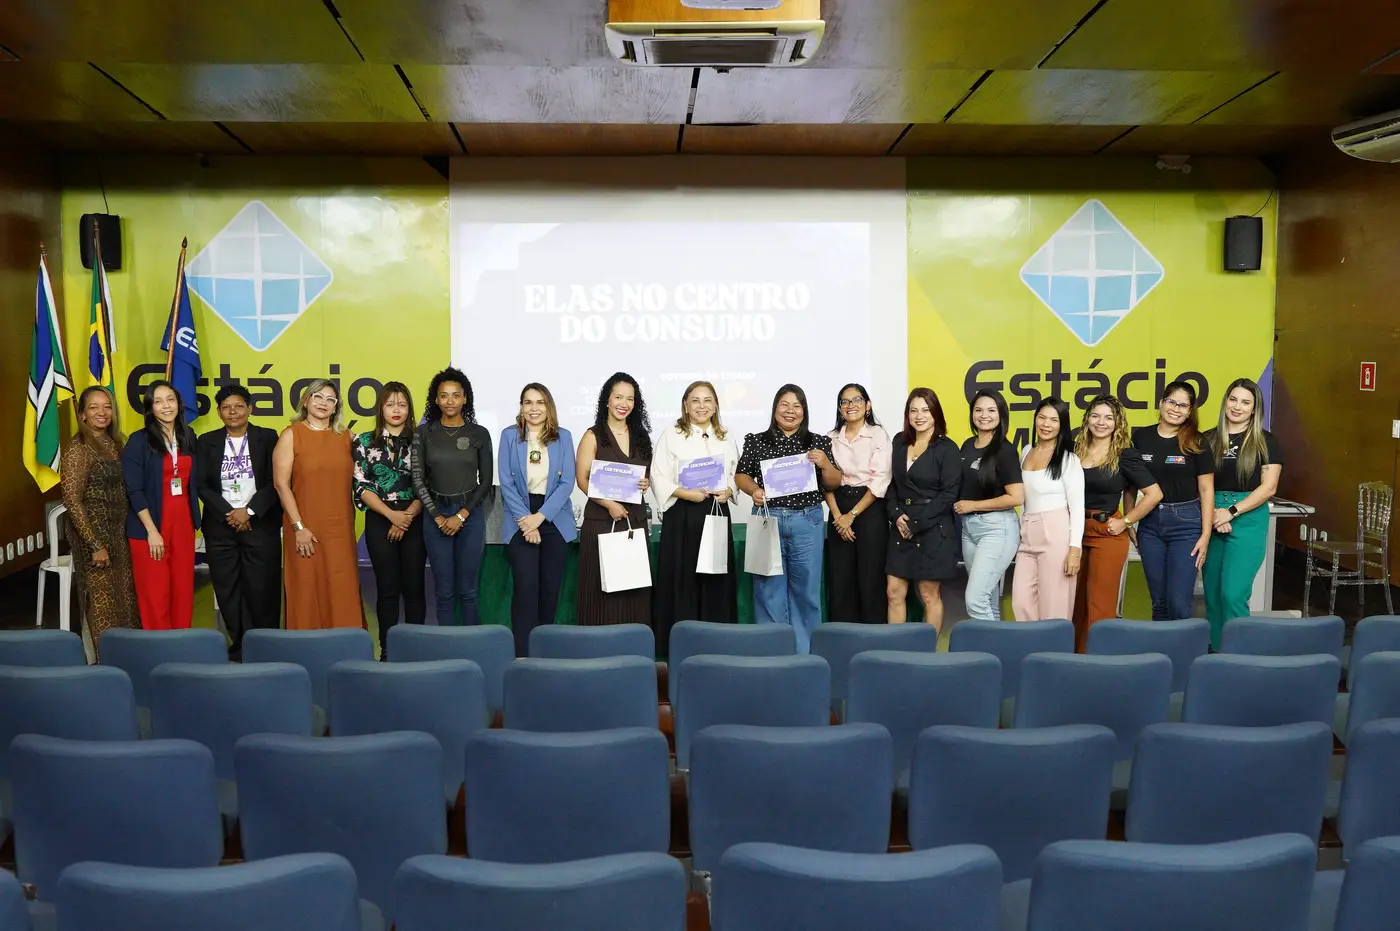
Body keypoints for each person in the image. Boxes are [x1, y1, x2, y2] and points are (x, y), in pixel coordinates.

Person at [736, 384, 841, 653]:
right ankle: (773, 654)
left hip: (806, 521)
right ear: (775, 409)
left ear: (804, 411)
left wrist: (825, 464)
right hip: (768, 519)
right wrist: (754, 490)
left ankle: (805, 656)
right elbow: (741, 475)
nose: (790, 411)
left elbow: (833, 482)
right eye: (784, 404)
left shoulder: (818, 442)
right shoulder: (756, 441)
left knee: (806, 591)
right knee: (767, 591)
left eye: (797, 405)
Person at [652, 380, 740, 652]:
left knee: (715, 580)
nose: (702, 406)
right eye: (695, 400)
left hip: (716, 511)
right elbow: (657, 475)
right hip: (682, 515)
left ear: (715, 406)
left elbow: (736, 473)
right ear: (686, 405)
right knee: (683, 581)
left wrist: (729, 490)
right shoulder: (671, 434)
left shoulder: (725, 435)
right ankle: (682, 645)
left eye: (707, 400)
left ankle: (717, 645)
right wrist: (686, 494)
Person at [196, 385, 283, 660]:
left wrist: (250, 511)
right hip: (221, 528)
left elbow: (275, 480)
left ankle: (266, 646)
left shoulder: (268, 437)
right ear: (219, 412)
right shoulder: (206, 441)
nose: (232, 412)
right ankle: (240, 646)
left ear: (250, 409)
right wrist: (230, 513)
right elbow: (202, 485)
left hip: (260, 525)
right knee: (228, 590)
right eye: (226, 407)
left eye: (238, 406)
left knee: (263, 588)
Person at [272, 378, 365, 630]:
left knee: (342, 587)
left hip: (340, 529)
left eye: (330, 399)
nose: (324, 403)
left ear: (336, 407)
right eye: (318, 397)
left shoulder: (347, 437)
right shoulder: (291, 435)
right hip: (305, 529)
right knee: (306, 588)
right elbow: (281, 484)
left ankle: (346, 643)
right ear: (306, 401)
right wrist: (299, 527)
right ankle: (306, 646)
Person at [1072, 396, 1163, 651]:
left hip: (1106, 534)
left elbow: (1154, 494)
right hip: (1074, 532)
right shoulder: (1074, 450)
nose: (1101, 422)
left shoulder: (1125, 455)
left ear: (1117, 423)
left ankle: (1098, 662)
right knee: (1075, 604)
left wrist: (1126, 521)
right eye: (1095, 416)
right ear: (1087, 419)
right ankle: (1074, 660)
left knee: (1100, 605)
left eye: (1108, 418)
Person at [1202, 378, 1283, 648]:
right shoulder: (1207, 439)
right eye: (1233, 399)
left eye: (1245, 402)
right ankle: (1216, 653)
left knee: (1233, 594)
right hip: (1212, 515)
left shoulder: (1266, 441)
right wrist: (1214, 514)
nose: (1237, 407)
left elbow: (1269, 487)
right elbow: (1199, 484)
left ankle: (1238, 655)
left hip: (1247, 517)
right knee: (1213, 595)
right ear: (1225, 401)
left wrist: (1232, 512)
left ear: (1254, 408)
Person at [499, 383, 577, 656]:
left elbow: (567, 483)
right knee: (525, 588)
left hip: (554, 515)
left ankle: (545, 654)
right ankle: (522, 654)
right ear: (521, 407)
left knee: (550, 589)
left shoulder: (563, 437)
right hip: (519, 515)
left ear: (549, 407)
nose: (534, 408)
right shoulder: (509, 436)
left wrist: (539, 518)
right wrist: (526, 520)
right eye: (528, 402)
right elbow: (506, 482)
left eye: (540, 402)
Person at [413, 367, 494, 627]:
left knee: (468, 592)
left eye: (456, 395)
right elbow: (418, 479)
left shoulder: (479, 433)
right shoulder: (424, 433)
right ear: (436, 400)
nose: (450, 401)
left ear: (465, 399)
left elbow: (486, 481)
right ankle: (446, 647)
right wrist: (438, 517)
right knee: (444, 592)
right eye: (444, 395)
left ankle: (472, 646)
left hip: (469, 516)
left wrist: (461, 516)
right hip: (435, 516)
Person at [61, 386, 138, 658]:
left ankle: (130, 657)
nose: (101, 412)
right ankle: (105, 663)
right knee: (102, 602)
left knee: (125, 598)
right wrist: (95, 545)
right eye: (93, 407)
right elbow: (72, 500)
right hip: (94, 536)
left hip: (119, 533)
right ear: (82, 414)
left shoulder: (115, 443)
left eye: (106, 407)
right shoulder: (78, 448)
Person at [353, 382, 426, 658]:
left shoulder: (422, 440)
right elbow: (361, 485)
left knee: (414, 588)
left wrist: (407, 516)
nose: (396, 410)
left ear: (409, 409)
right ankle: (387, 650)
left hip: (415, 518)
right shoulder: (364, 442)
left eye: (402, 404)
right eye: (390, 404)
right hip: (380, 519)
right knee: (387, 589)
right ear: (381, 408)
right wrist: (392, 516)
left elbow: (429, 484)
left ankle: (416, 649)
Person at [576, 372, 654, 627]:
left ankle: (633, 646)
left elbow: (645, 475)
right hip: (601, 522)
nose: (624, 403)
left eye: (630, 399)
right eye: (618, 397)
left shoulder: (641, 436)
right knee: (600, 592)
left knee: (634, 591)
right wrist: (609, 504)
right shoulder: (592, 435)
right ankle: (597, 648)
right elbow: (582, 480)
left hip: (634, 523)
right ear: (607, 400)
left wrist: (645, 483)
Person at [1132, 381, 1214, 621]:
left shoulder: (1197, 441)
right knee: (1159, 602)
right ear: (1161, 402)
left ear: (1190, 411)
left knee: (1178, 603)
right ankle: (1161, 647)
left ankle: (1184, 647)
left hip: (1186, 525)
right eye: (1171, 402)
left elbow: (1206, 489)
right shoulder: (1141, 437)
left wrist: (1205, 535)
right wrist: (1129, 521)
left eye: (1183, 405)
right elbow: (1130, 483)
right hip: (1149, 524)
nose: (1176, 409)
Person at [122, 380, 200, 630]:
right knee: (155, 594)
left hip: (183, 524)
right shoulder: (139, 440)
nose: (166, 406)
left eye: (170, 399)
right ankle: (158, 647)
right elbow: (134, 489)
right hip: (150, 526)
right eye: (158, 401)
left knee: (183, 589)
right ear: (150, 408)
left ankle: (181, 643)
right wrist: (152, 531)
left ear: (178, 403)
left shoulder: (188, 436)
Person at [885, 388, 960, 631]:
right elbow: (892, 484)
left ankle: (928, 651)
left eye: (925, 410)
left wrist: (916, 524)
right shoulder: (899, 441)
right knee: (894, 591)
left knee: (929, 595)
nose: (919, 416)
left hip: (933, 529)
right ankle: (895, 646)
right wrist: (896, 515)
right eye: (913, 410)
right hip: (901, 526)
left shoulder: (948, 448)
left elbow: (948, 495)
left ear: (936, 413)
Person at [953, 390, 1025, 620]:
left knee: (975, 600)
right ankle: (994, 643)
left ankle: (992, 643)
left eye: (991, 410)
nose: (984, 415)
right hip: (969, 529)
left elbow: (1016, 497)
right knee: (987, 599)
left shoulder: (1005, 450)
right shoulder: (967, 445)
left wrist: (973, 506)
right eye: (979, 410)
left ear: (1001, 414)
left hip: (997, 529)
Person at [824, 383, 891, 624]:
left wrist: (851, 515)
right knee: (840, 578)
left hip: (870, 507)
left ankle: (873, 637)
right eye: (845, 401)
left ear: (867, 405)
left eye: (857, 400)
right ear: (839, 408)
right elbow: (825, 481)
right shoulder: (830, 438)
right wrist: (838, 517)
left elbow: (880, 479)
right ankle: (842, 637)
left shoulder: (878, 435)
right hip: (838, 506)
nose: (850, 405)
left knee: (870, 577)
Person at [1013, 397, 1084, 622]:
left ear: (1062, 425)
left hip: (1056, 532)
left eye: (1054, 420)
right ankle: (1031, 644)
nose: (1046, 424)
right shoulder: (1026, 451)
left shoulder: (1068, 459)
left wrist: (1074, 550)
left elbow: (1077, 507)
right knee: (1021, 601)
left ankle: (1055, 646)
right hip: (1027, 532)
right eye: (1042, 418)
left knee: (1054, 605)